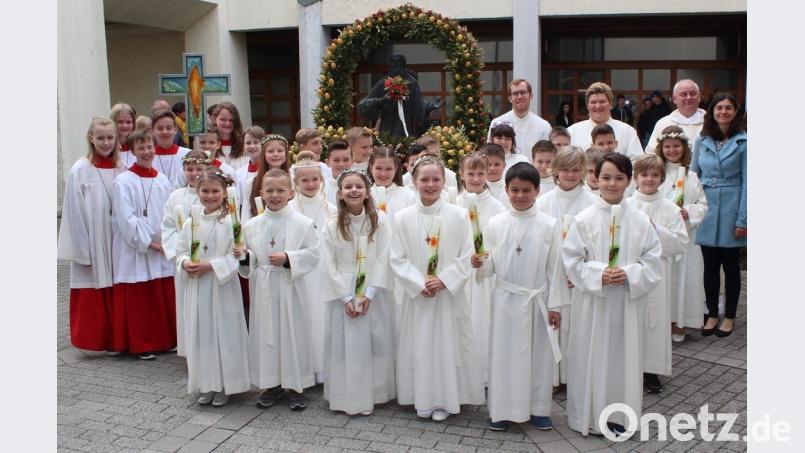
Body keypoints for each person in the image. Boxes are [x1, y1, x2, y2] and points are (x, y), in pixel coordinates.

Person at [562, 153, 662, 436]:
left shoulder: (641, 221)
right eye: (606, 177)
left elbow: (653, 260)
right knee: (590, 356)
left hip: (626, 304)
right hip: (594, 303)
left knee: (623, 359)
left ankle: (620, 416)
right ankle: (587, 416)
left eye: (619, 178)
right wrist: (598, 274)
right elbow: (571, 260)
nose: (612, 184)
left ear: (629, 181)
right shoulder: (584, 220)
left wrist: (630, 274)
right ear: (595, 178)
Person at [390, 156, 484, 422]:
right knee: (419, 345)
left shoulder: (459, 215)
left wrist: (444, 279)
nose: (430, 184)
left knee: (447, 345)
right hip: (418, 296)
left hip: (447, 296)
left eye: (435, 179)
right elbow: (397, 257)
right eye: (424, 179)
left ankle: (445, 398)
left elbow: (467, 254)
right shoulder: (402, 218)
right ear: (414, 181)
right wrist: (418, 282)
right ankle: (419, 396)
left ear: (445, 181)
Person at [478, 162, 563, 432]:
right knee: (504, 356)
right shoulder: (496, 224)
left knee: (538, 356)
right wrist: (480, 263)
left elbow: (556, 268)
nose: (520, 195)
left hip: (537, 299)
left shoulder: (548, 225)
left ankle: (538, 408)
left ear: (537, 191)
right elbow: (489, 267)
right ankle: (502, 410)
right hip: (505, 300)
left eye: (527, 190)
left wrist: (555, 305)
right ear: (506, 190)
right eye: (514, 190)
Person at [320, 170, 396, 415]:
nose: (353, 190)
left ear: (367, 192)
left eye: (358, 186)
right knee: (345, 346)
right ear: (340, 193)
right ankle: (346, 395)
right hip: (343, 289)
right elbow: (327, 263)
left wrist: (369, 294)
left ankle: (375, 393)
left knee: (375, 343)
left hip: (374, 288)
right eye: (348, 187)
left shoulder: (380, 220)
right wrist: (346, 298)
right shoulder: (331, 224)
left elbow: (386, 257)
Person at [245, 169, 320, 411]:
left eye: (280, 190)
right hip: (264, 288)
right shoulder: (252, 225)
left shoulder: (302, 223)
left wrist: (289, 258)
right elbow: (250, 258)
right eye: (269, 190)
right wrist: (244, 257)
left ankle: (296, 386)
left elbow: (314, 253)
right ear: (261, 193)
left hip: (291, 287)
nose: (275, 195)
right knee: (267, 336)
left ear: (291, 192)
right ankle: (272, 385)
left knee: (293, 334)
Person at [176, 169, 250, 407]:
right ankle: (207, 384)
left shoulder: (231, 223)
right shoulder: (191, 223)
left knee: (223, 336)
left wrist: (211, 266)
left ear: (225, 193)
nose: (210, 196)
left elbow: (237, 256)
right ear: (197, 192)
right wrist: (185, 263)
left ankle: (226, 385)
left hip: (222, 288)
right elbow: (181, 251)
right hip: (198, 288)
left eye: (215, 191)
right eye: (205, 191)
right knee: (203, 337)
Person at [58, 117, 124, 353]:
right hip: (93, 238)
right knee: (94, 288)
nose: (106, 143)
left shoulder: (122, 167)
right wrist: (82, 249)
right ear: (91, 139)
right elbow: (74, 213)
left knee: (119, 286)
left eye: (110, 137)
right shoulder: (81, 169)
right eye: (101, 138)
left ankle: (118, 339)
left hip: (116, 238)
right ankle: (95, 341)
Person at [111, 128, 177, 360]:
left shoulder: (162, 180)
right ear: (133, 150)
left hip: (161, 245)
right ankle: (142, 344)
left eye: (150, 147)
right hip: (137, 249)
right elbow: (125, 218)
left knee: (161, 294)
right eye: (141, 148)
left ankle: (165, 340)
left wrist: (168, 239)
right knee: (140, 297)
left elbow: (170, 212)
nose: (147, 151)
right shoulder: (123, 181)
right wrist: (150, 242)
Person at [536, 146, 597, 387]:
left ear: (583, 170)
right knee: (553, 325)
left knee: (577, 327)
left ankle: (574, 377)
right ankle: (552, 377)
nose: (570, 175)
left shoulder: (592, 202)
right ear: (555, 170)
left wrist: (581, 271)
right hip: (551, 276)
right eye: (565, 170)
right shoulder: (543, 202)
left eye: (575, 170)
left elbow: (596, 241)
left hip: (578, 278)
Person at [629, 154, 688, 395]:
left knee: (655, 321)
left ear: (662, 179)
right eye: (644, 174)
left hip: (658, 273)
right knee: (631, 320)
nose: (649, 179)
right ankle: (629, 368)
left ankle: (651, 370)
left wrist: (656, 229)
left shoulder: (670, 208)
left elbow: (680, 243)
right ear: (635, 178)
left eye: (655, 175)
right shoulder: (626, 205)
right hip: (632, 271)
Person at [691, 92, 746, 338]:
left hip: (733, 206)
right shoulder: (701, 141)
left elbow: (749, 183)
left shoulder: (744, 142)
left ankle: (730, 316)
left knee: (731, 266)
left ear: (735, 112)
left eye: (728, 108)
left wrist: (743, 219)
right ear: (712, 112)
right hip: (706, 207)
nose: (723, 112)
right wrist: (690, 208)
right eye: (719, 108)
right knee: (710, 267)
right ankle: (712, 313)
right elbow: (693, 177)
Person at [455, 153, 506, 384]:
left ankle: (482, 375)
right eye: (471, 173)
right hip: (460, 275)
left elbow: (501, 241)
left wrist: (487, 257)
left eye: (480, 173)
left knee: (482, 322)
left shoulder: (497, 207)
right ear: (461, 174)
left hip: (484, 277)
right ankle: (460, 374)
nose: (476, 179)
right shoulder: (453, 203)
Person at [655, 126, 708, 341]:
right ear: (661, 148)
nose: (672, 150)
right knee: (665, 279)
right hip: (663, 234)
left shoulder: (692, 176)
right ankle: (663, 322)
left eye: (676, 146)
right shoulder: (656, 174)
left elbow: (703, 204)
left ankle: (680, 323)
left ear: (684, 148)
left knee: (685, 279)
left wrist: (690, 212)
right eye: (667, 146)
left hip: (687, 237)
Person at [289, 151, 337, 384]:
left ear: (321, 180)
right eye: (305, 180)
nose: (310, 184)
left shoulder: (331, 209)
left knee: (323, 318)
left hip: (324, 270)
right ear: (296, 182)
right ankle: (305, 368)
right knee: (304, 318)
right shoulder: (290, 209)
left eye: (314, 179)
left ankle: (325, 369)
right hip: (301, 272)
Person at [160, 150, 208, 357]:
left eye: (199, 169)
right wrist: (181, 256)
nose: (194, 173)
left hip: (208, 259)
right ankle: (190, 351)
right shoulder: (176, 197)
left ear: (207, 168)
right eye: (190, 169)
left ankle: (209, 350)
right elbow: (168, 227)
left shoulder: (212, 193)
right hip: (186, 261)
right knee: (186, 305)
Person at [569, 82, 643, 160]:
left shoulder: (628, 132)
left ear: (610, 104)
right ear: (587, 105)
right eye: (593, 102)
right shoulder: (572, 132)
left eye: (602, 102)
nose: (597, 106)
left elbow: (637, 162)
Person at [488, 79, 552, 160]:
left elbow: (549, 157)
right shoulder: (496, 123)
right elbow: (490, 154)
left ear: (531, 96)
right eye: (515, 93)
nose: (520, 96)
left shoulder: (544, 126)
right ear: (510, 98)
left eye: (523, 92)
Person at [645, 80, 706, 155]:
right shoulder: (663, 123)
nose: (689, 97)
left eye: (693, 94)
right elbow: (652, 154)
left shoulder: (710, 122)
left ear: (699, 97)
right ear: (674, 98)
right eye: (684, 94)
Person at [244, 134, 291, 226]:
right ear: (263, 154)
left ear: (286, 154)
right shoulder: (252, 182)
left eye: (280, 151)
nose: (276, 154)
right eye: (270, 151)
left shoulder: (294, 179)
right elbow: (246, 214)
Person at [369, 146, 416, 222]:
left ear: (395, 168)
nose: (383, 174)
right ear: (371, 168)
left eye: (388, 169)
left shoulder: (409, 196)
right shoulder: (365, 196)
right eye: (378, 168)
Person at [151, 109, 191, 189]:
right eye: (160, 128)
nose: (165, 132)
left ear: (175, 130)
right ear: (153, 130)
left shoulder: (187, 154)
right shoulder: (148, 156)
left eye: (169, 128)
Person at [234, 126, 266, 217]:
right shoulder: (239, 173)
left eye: (256, 142)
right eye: (248, 143)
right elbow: (238, 201)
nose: (252, 146)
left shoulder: (269, 169)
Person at [210, 102, 249, 170]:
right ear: (215, 119)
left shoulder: (246, 145)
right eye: (223, 119)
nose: (227, 123)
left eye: (231, 120)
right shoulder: (208, 145)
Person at [479, 143, 510, 209]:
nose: (492, 168)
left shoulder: (510, 189)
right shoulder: (476, 187)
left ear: (504, 165)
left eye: (497, 164)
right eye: (488, 164)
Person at [323, 139, 353, 206]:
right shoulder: (321, 189)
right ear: (327, 162)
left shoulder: (361, 187)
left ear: (352, 161)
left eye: (346, 160)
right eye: (336, 160)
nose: (341, 164)